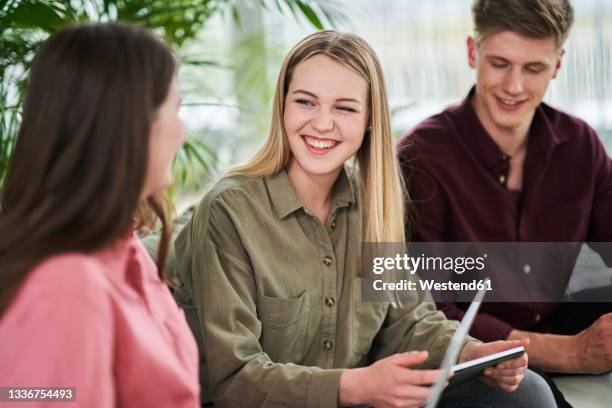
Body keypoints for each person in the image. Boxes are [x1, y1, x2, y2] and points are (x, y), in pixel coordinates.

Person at [174, 30, 554, 408]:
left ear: (370, 119)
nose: (322, 124)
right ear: (283, 107)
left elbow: (409, 320)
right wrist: (353, 387)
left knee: (529, 393)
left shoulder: (372, 204)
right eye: (306, 102)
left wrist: (471, 353)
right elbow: (232, 378)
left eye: (344, 108)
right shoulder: (229, 211)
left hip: (363, 401)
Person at [397, 0, 612, 377]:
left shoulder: (579, 144)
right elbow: (426, 312)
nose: (513, 87)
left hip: (555, 321)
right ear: (471, 52)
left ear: (557, 65)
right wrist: (570, 354)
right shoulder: (420, 159)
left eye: (533, 69)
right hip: (470, 356)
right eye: (499, 64)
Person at [0, 23, 199, 407]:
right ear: (129, 125)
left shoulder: (127, 247)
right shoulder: (66, 286)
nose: (182, 133)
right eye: (175, 109)